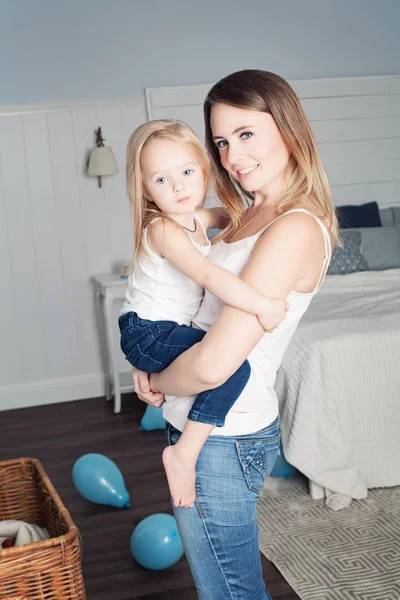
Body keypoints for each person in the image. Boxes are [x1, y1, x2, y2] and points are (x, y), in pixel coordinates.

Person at [132, 70, 340, 600]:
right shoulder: (249, 214)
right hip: (200, 423)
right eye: (222, 141)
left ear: (288, 128)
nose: (231, 155)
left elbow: (212, 366)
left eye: (246, 134)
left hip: (222, 438)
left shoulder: (292, 226)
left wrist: (157, 375)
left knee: (230, 593)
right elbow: (195, 304)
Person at [119, 119, 288, 509]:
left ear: (204, 171)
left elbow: (232, 220)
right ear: (145, 188)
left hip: (153, 332)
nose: (178, 186)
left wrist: (265, 216)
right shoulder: (163, 229)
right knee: (234, 368)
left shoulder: (198, 217)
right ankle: (184, 454)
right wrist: (262, 305)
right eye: (161, 180)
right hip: (148, 331)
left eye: (187, 172)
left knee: (224, 364)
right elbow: (210, 275)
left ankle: (172, 416)